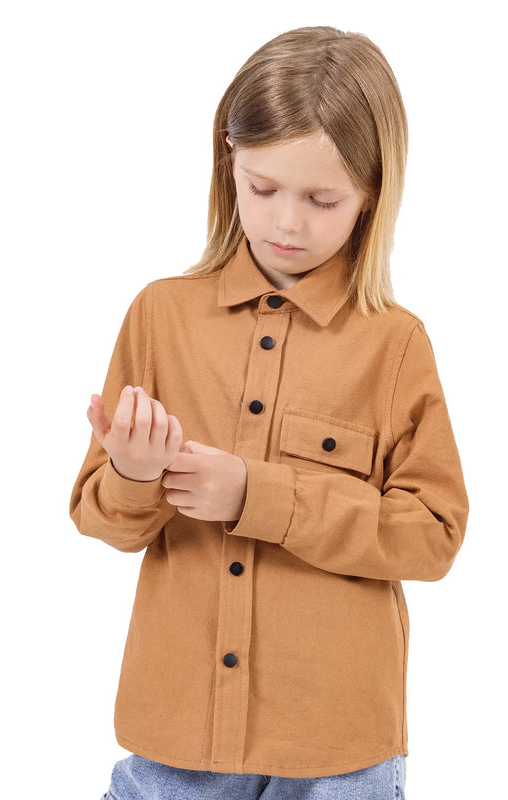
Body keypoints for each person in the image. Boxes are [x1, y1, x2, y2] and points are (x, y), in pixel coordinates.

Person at [69, 25, 469, 800]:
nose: (286, 224)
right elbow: (101, 520)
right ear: (229, 164)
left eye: (322, 200)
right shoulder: (159, 317)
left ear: (373, 192)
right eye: (263, 189)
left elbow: (434, 537)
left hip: (338, 754)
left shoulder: (394, 345)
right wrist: (131, 472)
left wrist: (258, 497)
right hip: (174, 743)